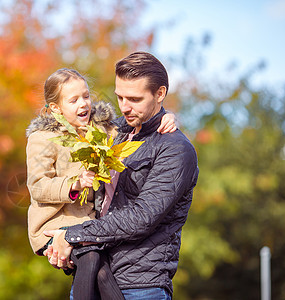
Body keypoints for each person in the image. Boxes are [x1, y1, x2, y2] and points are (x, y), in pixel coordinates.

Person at [44, 52, 199, 300]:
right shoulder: (114, 132)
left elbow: (141, 218)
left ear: (160, 94)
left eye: (135, 99)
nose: (124, 107)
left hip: (140, 286)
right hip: (90, 274)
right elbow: (58, 123)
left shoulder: (175, 149)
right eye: (120, 97)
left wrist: (72, 234)